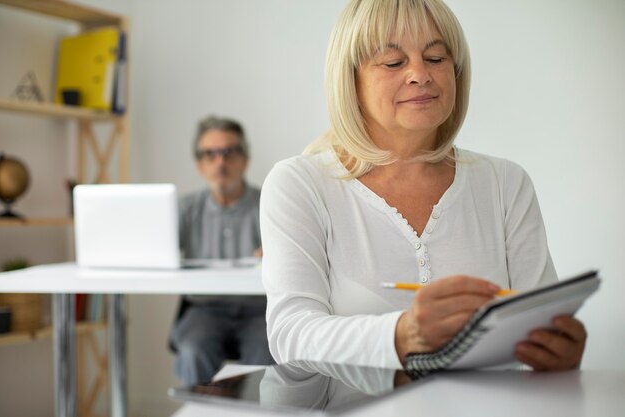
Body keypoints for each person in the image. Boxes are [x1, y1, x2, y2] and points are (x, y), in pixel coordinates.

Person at [260, 0, 586, 372]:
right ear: (350, 79)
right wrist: (401, 335)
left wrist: (557, 354)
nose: (420, 74)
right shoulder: (299, 185)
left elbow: (538, 324)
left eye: (435, 57)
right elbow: (290, 336)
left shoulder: (506, 184)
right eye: (393, 62)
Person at [169, 115, 274, 385]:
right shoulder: (184, 209)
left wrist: (278, 253)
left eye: (229, 152)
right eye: (210, 154)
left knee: (267, 351)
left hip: (259, 311)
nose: (220, 162)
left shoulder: (272, 204)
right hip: (205, 309)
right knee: (192, 349)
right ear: (198, 164)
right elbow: (155, 254)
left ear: (245, 159)